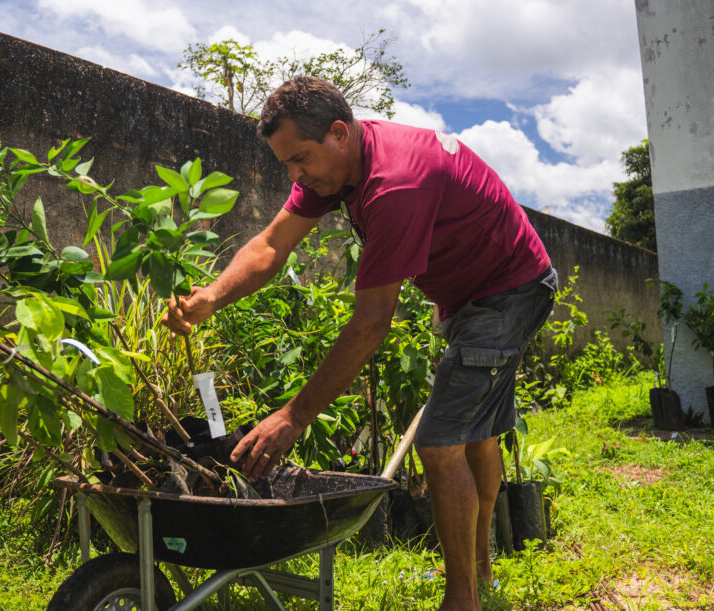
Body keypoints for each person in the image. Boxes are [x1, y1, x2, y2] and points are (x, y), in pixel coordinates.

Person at [163, 76, 556, 611]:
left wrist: (294, 416)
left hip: (509, 292)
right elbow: (272, 244)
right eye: (286, 163)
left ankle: (462, 599)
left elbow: (372, 323)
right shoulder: (337, 168)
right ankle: (481, 567)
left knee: (441, 444)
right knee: (475, 433)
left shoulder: (395, 184)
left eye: (299, 159)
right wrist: (211, 296)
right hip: (469, 296)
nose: (294, 174)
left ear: (339, 133)